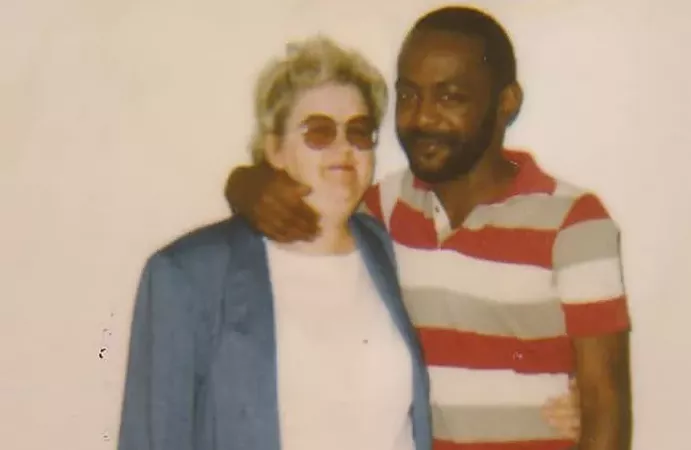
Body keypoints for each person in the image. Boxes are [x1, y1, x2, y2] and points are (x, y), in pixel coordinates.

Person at [225, 5, 633, 450]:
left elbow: (606, 412)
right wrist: (244, 183)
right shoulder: (381, 209)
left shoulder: (574, 223)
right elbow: (306, 209)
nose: (422, 118)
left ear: (506, 103)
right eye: (408, 96)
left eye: (450, 97)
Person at [117, 36, 433, 450]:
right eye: (319, 132)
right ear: (275, 150)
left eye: (358, 132)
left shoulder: (381, 243)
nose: (343, 148)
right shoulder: (188, 274)